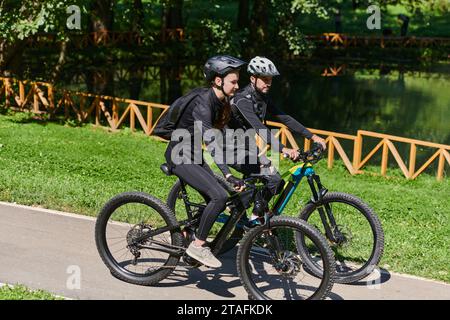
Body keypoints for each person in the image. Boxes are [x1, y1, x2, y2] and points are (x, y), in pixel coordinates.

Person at [164, 55, 246, 268]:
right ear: (218, 81)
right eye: (233, 82)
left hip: (193, 155)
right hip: (179, 156)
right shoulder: (203, 104)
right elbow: (211, 142)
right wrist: (227, 174)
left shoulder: (221, 102)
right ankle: (198, 246)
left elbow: (227, 134)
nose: (237, 86)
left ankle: (185, 233)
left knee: (219, 199)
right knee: (218, 196)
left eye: (238, 81)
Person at [227, 56, 327, 223]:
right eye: (265, 79)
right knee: (274, 179)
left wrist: (312, 136)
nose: (268, 83)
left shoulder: (262, 97)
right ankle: (255, 221)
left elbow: (284, 118)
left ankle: (242, 214)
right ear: (253, 78)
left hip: (247, 146)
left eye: (270, 80)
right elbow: (259, 128)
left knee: (270, 183)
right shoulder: (242, 99)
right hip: (229, 147)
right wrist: (283, 149)